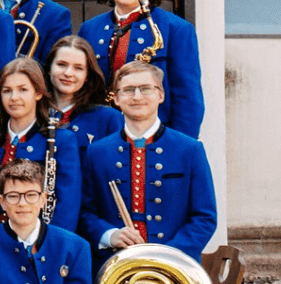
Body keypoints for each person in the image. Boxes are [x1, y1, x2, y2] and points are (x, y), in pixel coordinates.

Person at [79, 61, 217, 261]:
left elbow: (204, 218)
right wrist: (109, 235)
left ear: (161, 95)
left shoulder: (190, 149)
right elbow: (85, 213)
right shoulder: (97, 152)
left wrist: (167, 255)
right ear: (116, 98)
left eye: (145, 89)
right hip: (116, 263)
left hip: (173, 264)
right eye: (128, 90)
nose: (137, 96)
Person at [76, 0, 204, 136]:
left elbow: (188, 98)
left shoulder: (177, 29)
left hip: (154, 138)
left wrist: (178, 145)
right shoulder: (89, 28)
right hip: (99, 137)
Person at [0, 58, 84, 233]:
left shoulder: (61, 140)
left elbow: (67, 205)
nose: (14, 98)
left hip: (41, 241)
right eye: (7, 91)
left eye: (23, 90)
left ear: (38, 93)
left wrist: (50, 243)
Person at [43, 36, 123, 147]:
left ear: (87, 76)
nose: (68, 73)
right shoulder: (31, 113)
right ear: (49, 68)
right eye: (61, 64)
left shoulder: (108, 118)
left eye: (78, 68)